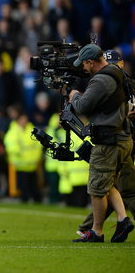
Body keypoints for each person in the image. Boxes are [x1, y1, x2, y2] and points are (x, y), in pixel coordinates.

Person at [69, 44, 135, 242]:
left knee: (97, 188)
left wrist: (74, 95)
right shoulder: (119, 73)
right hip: (123, 137)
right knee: (110, 184)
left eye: (84, 64)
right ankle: (123, 219)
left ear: (91, 61)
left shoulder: (102, 79)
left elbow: (83, 107)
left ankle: (97, 232)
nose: (83, 68)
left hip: (108, 141)